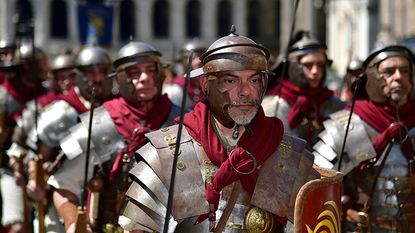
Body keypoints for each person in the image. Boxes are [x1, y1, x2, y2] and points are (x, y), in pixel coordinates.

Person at [118, 27, 329, 233]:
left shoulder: (291, 155)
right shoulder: (166, 153)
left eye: (254, 80)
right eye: (230, 80)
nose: (245, 91)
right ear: (205, 84)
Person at [47, 41, 180, 233]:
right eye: (134, 72)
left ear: (160, 73)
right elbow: (63, 187)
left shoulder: (182, 121)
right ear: (120, 78)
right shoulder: (97, 124)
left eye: (151, 70)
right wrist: (74, 223)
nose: (145, 78)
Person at [313, 45, 415, 232]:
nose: (399, 77)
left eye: (405, 71)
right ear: (372, 79)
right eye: (389, 72)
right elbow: (314, 186)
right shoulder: (345, 125)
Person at [262, 30, 345, 146]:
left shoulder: (336, 105)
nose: (315, 71)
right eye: (308, 65)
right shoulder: (271, 108)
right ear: (295, 66)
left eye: (320, 65)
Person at [163, 40, 207, 110]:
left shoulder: (210, 85)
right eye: (192, 58)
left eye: (201, 57)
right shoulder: (174, 89)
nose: (198, 62)